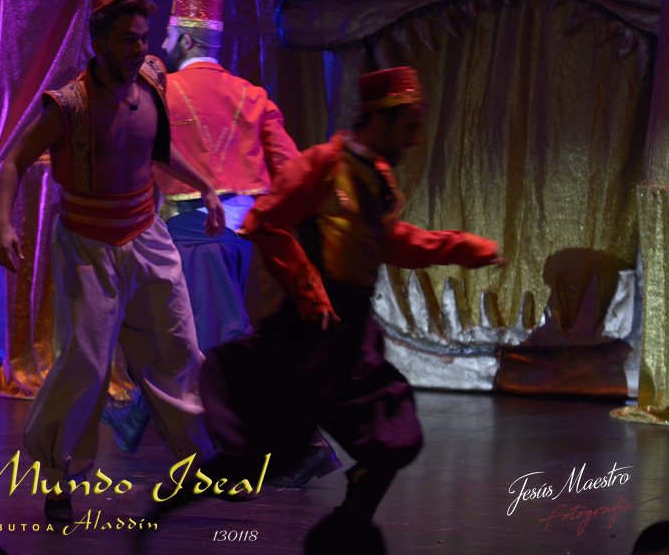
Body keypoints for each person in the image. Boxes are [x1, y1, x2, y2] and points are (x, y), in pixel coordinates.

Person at [198, 66, 504, 522]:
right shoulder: (324, 165)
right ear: (379, 119)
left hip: (351, 335)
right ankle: (157, 511)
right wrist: (307, 285)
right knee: (262, 454)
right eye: (409, 128)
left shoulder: (375, 176)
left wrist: (459, 247)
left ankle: (347, 529)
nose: (414, 141)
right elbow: (263, 221)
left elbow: (388, 241)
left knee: (395, 437)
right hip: (309, 336)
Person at [0, 0, 225, 521]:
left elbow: (157, 151)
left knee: (177, 348)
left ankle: (200, 461)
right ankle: (58, 477)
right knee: (86, 363)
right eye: (126, 39)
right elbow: (12, 162)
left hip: (146, 234)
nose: (138, 47)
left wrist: (206, 186)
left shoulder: (152, 81)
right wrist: (3, 224)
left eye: (142, 37)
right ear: (98, 43)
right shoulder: (69, 103)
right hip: (89, 245)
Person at [103, 0, 339, 488]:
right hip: (238, 236)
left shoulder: (161, 92)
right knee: (173, 332)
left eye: (169, 35)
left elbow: (132, 155)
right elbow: (292, 171)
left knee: (221, 343)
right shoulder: (252, 96)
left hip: (191, 234)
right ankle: (134, 416)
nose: (163, 44)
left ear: (187, 40)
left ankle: (305, 447)